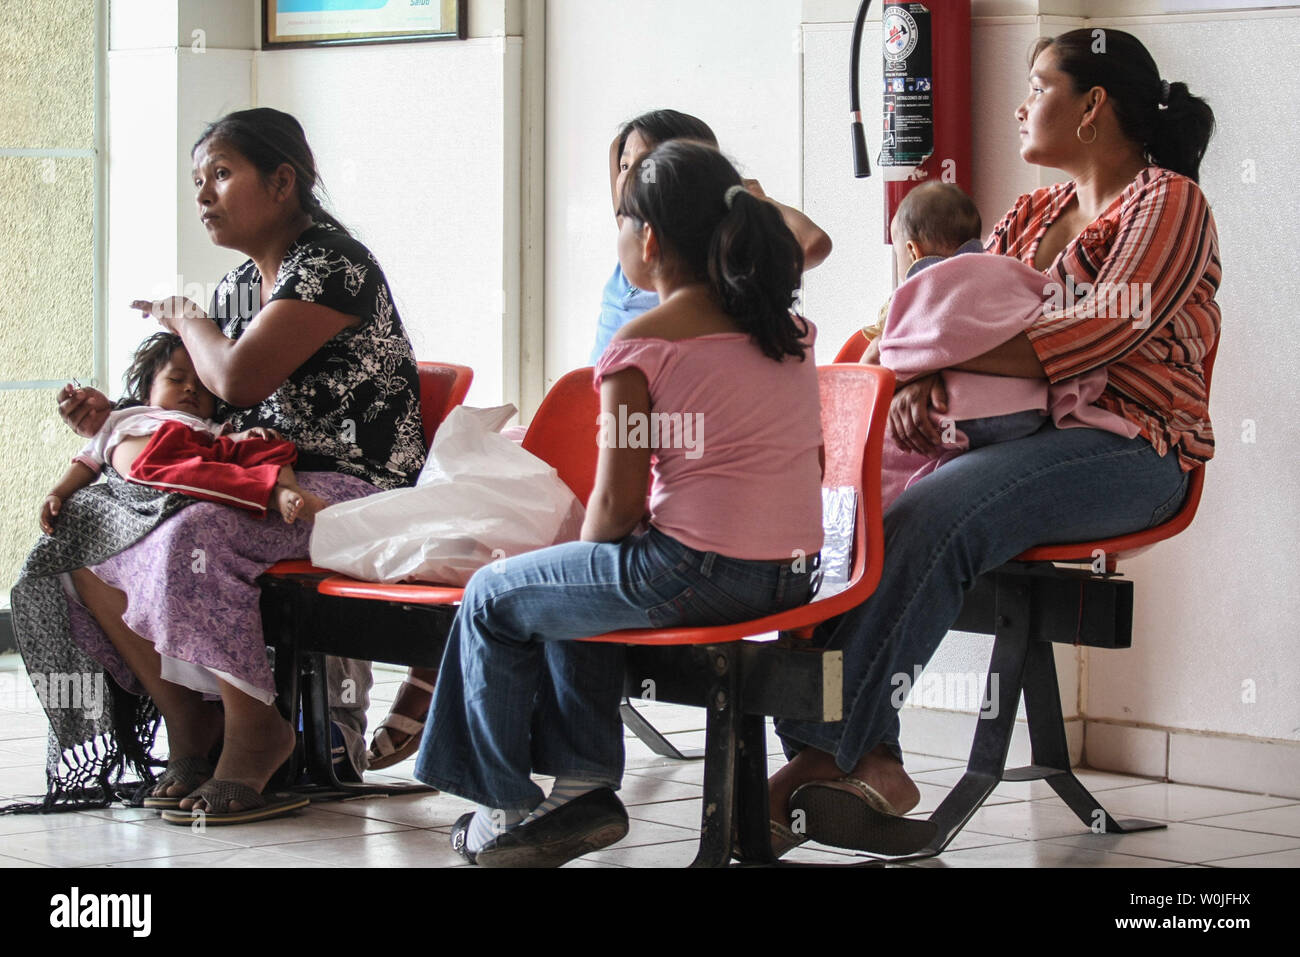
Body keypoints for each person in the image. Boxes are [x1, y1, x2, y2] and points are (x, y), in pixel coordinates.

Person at [766, 28, 1221, 856]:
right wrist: (911, 384)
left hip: (1136, 449)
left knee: (939, 512)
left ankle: (823, 751)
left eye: (1039, 83)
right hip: (1014, 439)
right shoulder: (1033, 211)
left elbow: (1098, 334)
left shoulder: (1169, 201)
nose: (1021, 102)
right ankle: (869, 757)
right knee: (855, 501)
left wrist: (933, 364)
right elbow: (949, 312)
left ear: (1092, 107)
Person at [367, 107, 835, 771]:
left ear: (647, 241)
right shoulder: (787, 329)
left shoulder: (641, 343)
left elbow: (615, 504)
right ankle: (576, 792)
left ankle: (501, 799)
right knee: (573, 588)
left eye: (623, 219)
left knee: (492, 594)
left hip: (699, 572)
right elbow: (807, 460)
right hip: (791, 576)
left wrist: (584, 560)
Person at [12, 108, 424, 823]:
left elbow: (236, 380)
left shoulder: (333, 263)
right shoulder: (239, 287)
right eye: (197, 180)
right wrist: (110, 420)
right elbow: (212, 410)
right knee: (82, 530)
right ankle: (191, 724)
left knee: (191, 534)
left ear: (282, 181)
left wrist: (183, 315)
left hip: (349, 488)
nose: (203, 194)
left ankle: (254, 729)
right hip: (259, 476)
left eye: (222, 175)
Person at [41, 333, 326, 532]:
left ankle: (290, 491)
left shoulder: (206, 424)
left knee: (270, 445)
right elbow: (86, 462)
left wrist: (248, 436)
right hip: (160, 458)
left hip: (202, 448)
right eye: (176, 380)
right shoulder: (121, 418)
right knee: (205, 474)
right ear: (147, 391)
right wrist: (58, 493)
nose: (191, 388)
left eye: (202, 386)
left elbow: (226, 443)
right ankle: (269, 496)